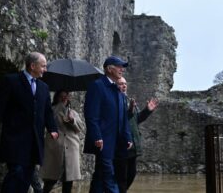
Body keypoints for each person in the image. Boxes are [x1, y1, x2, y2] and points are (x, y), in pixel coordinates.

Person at [0, 51, 59, 193]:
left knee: (26, 175)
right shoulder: (11, 81)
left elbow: (47, 111)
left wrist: (53, 128)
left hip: (34, 141)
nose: (45, 69)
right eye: (43, 66)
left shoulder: (43, 88)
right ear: (32, 66)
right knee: (16, 172)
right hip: (15, 138)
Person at [83, 56, 133, 193]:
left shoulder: (119, 92)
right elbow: (91, 115)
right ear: (109, 68)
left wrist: (128, 137)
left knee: (99, 178)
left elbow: (123, 118)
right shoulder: (97, 86)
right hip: (103, 142)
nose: (122, 69)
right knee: (110, 177)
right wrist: (97, 136)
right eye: (119, 66)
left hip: (117, 144)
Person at [114, 77, 159, 193]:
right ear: (115, 86)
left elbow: (136, 119)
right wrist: (129, 111)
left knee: (132, 174)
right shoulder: (113, 101)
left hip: (133, 145)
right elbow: (118, 120)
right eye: (120, 84)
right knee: (121, 177)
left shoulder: (129, 100)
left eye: (125, 84)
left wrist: (147, 111)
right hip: (121, 144)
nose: (124, 86)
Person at [40, 90, 84, 193]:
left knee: (68, 178)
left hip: (71, 146)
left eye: (66, 96)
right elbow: (48, 122)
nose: (64, 98)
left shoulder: (73, 112)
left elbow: (80, 128)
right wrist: (61, 107)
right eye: (61, 96)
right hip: (55, 147)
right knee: (51, 177)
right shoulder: (52, 110)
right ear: (57, 98)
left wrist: (72, 120)